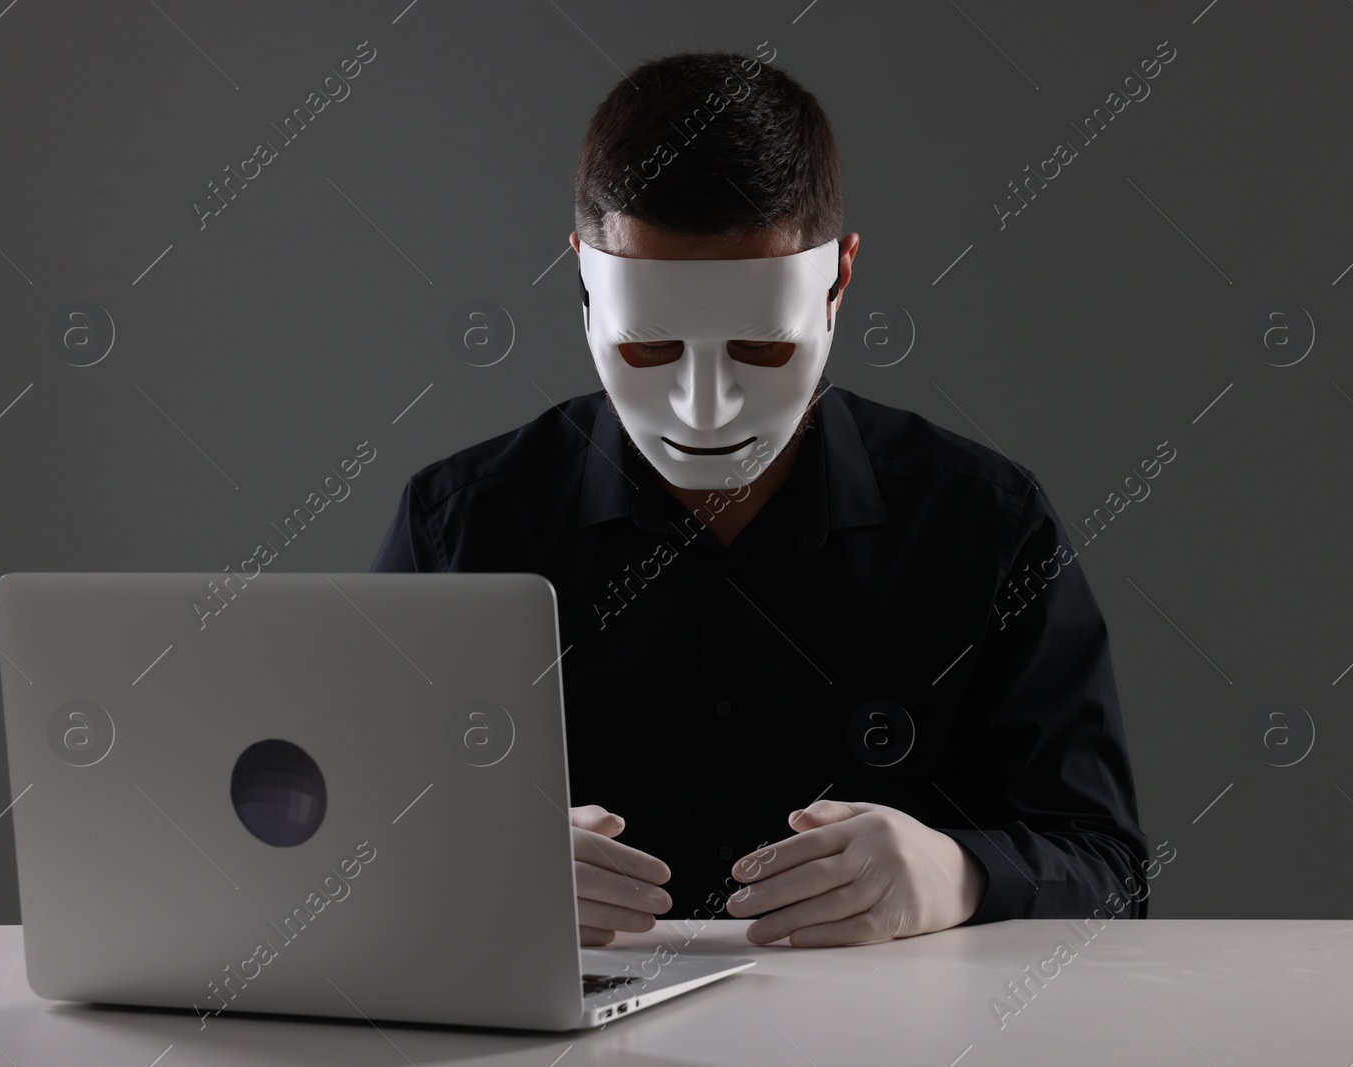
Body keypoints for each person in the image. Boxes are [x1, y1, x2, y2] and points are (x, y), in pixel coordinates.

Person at [370, 49, 1151, 949]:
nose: (708, 407)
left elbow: (1109, 870)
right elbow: (344, 850)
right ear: (584, 281)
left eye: (761, 348)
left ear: (839, 283)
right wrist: (469, 871)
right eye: (651, 349)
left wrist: (960, 874)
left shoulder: (985, 525)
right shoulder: (459, 526)